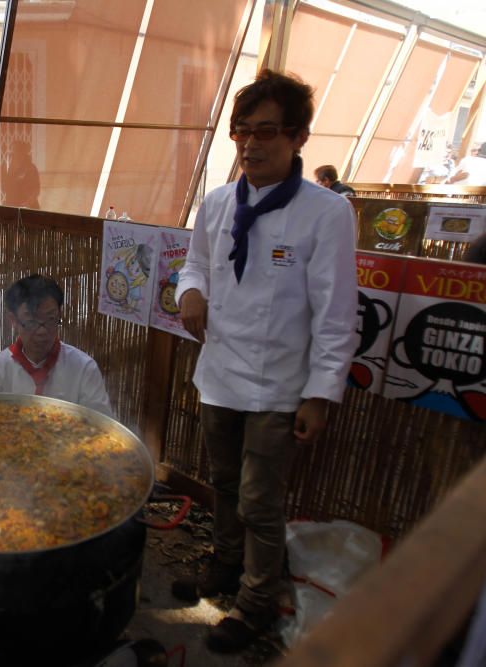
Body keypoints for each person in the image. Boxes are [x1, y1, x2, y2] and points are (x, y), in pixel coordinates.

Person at [172, 69, 357, 653]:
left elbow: (335, 313)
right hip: (220, 373)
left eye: (267, 131)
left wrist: (321, 394)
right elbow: (195, 265)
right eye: (242, 132)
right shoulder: (220, 202)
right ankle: (225, 567)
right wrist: (191, 293)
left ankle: (255, 603)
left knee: (260, 499)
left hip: (281, 385)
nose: (251, 144)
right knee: (223, 482)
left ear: (299, 137)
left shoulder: (326, 214)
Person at [0, 274, 113, 417]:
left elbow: (102, 426)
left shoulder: (84, 368)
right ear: (13, 320)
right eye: (31, 322)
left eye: (50, 319)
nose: (42, 331)